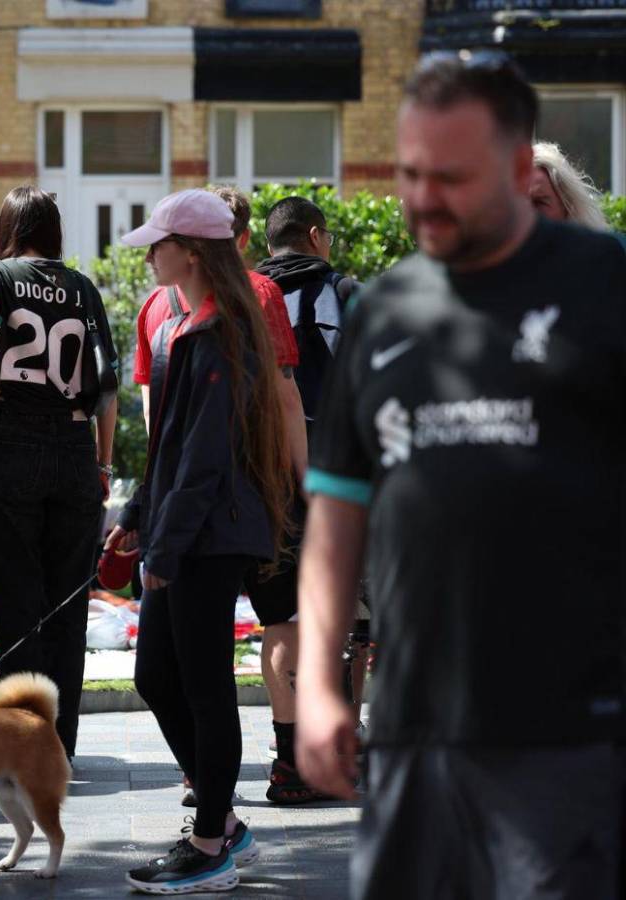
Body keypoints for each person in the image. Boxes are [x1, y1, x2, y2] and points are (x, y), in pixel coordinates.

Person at [297, 51, 625, 899]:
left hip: (571, 738)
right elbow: (337, 513)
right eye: (410, 172)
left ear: (520, 169)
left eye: (452, 175)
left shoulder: (604, 288)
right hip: (414, 736)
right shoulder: (382, 313)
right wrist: (322, 688)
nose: (424, 197)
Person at [107, 189, 291, 893]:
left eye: (159, 242)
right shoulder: (183, 322)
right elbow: (172, 446)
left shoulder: (219, 332)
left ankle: (211, 839)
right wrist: (137, 510)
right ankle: (222, 823)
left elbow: (205, 457)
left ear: (191, 250)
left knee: (207, 687)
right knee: (157, 675)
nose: (150, 253)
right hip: (189, 530)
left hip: (210, 537)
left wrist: (166, 546)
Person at [0, 185, 117, 760]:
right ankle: (60, 744)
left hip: (13, 443)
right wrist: (102, 462)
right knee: (67, 604)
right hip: (74, 446)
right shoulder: (81, 286)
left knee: (15, 599)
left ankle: (18, 743)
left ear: (10, 227)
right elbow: (107, 387)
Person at [251, 195, 364, 804]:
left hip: (255, 479)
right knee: (340, 617)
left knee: (279, 621)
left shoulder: (240, 294)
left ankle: (286, 760)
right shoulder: (344, 294)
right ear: (316, 237)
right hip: (331, 479)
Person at [530, 141, 609, 230]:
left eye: (538, 202)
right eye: (516, 203)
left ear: (567, 208)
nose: (525, 213)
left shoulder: (600, 243)